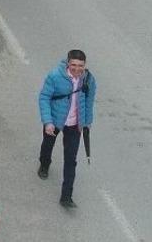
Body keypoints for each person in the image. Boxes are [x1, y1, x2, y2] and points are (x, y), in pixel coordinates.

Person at [38, 49, 96, 208]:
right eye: (73, 65)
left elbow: (89, 101)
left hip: (75, 125)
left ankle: (66, 196)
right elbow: (44, 98)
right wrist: (48, 121)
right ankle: (44, 164)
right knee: (47, 145)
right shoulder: (55, 76)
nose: (77, 69)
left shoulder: (89, 79)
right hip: (55, 121)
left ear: (85, 65)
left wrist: (87, 121)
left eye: (81, 66)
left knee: (71, 160)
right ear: (67, 63)